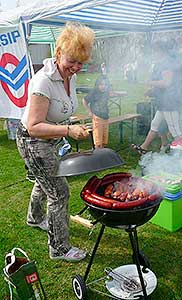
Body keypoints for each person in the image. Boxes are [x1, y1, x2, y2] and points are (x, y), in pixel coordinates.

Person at [16, 22, 95, 262]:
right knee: (59, 192)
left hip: (51, 141)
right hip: (33, 141)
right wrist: (69, 130)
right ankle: (59, 248)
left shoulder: (71, 75)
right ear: (58, 52)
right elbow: (34, 126)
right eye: (72, 60)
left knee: (44, 181)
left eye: (81, 62)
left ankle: (34, 217)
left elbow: (64, 107)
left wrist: (70, 126)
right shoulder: (43, 82)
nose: (76, 67)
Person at [131, 40, 182, 155]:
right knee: (155, 125)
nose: (153, 53)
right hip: (162, 102)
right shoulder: (159, 64)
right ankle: (144, 148)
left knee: (175, 130)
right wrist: (151, 90)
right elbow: (161, 85)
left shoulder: (167, 63)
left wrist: (149, 82)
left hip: (170, 102)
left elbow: (166, 83)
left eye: (154, 51)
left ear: (160, 51)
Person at [82, 76, 112, 148]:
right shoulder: (94, 92)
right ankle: (98, 153)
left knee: (104, 140)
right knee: (98, 141)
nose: (103, 86)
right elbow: (84, 100)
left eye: (105, 84)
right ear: (97, 85)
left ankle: (102, 154)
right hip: (97, 118)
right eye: (101, 84)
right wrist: (89, 111)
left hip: (105, 117)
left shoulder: (106, 92)